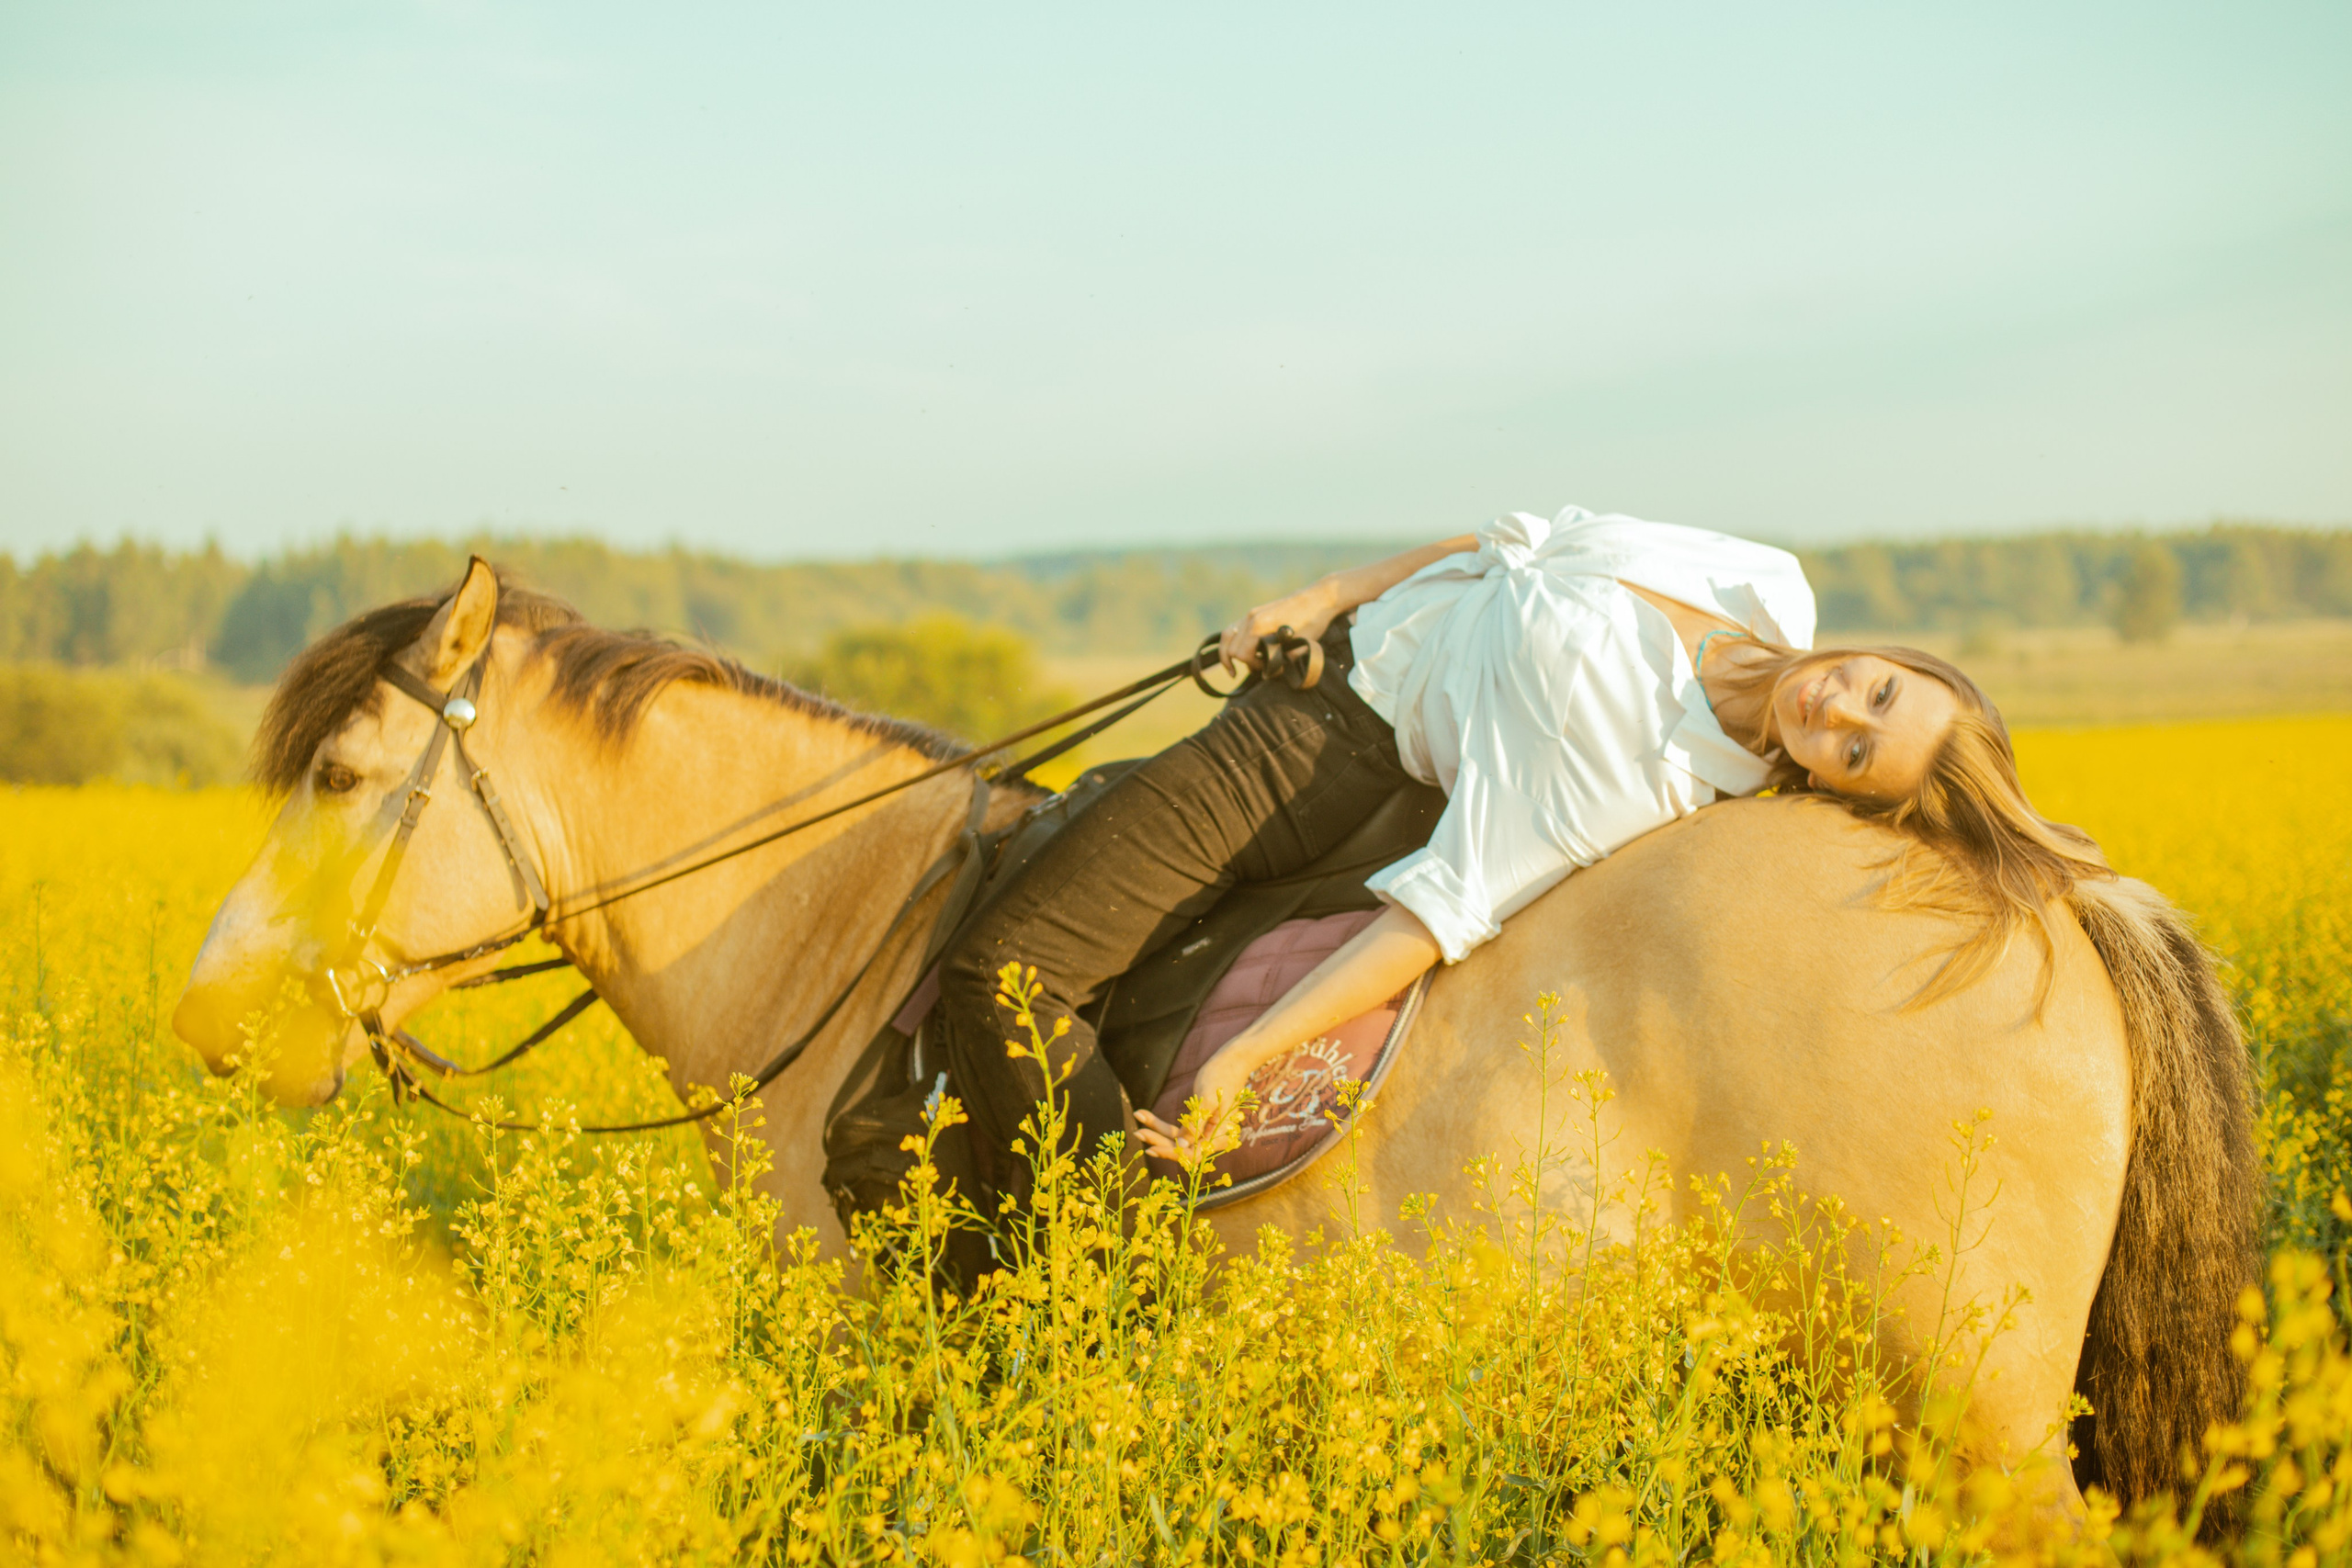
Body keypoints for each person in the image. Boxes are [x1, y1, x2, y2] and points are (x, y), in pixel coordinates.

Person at [922, 503, 2102, 1188]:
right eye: (1878, 696)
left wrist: (1245, 1064)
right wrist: (1322, 596)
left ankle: (1082, 1270)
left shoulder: (1654, 776)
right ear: (1897, 658)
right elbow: (1508, 540)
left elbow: (1438, 913)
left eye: (1854, 754)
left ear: (1827, 787)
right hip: (1328, 652)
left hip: (1320, 745)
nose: (1837, 711)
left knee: (1005, 973)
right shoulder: (1763, 581)